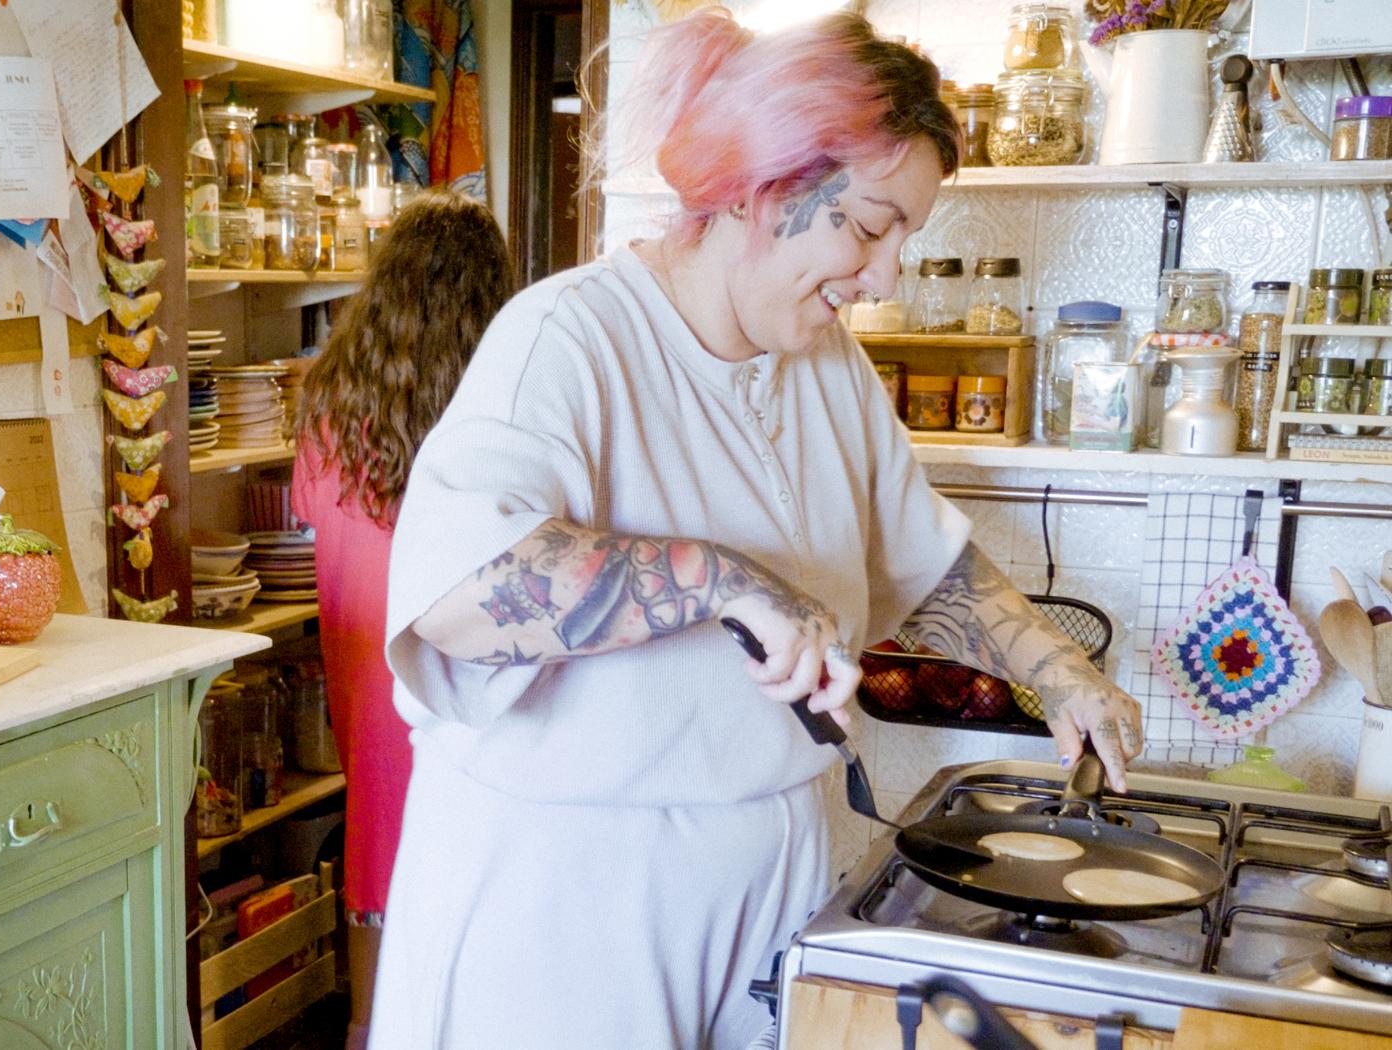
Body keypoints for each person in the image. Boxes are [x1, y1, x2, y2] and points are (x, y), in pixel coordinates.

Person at [369, 9, 1144, 1049]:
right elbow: (462, 601)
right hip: (572, 901)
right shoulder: (569, 338)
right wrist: (721, 579)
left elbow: (921, 560)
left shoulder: (824, 364)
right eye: (868, 227)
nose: (883, 277)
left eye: (901, 239)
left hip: (770, 870)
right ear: (763, 187)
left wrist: (1053, 669)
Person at [289, 188, 512, 1049]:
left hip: (363, 661)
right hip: (458, 663)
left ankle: (365, 1025)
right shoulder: (496, 405)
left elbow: (312, 512)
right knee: (470, 845)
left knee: (376, 845)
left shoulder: (331, 402)